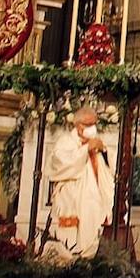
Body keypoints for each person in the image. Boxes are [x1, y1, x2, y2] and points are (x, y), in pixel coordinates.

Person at [46, 107, 114, 258]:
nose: (92, 128)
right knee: (75, 224)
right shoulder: (66, 141)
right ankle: (74, 257)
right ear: (78, 125)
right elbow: (60, 164)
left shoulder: (95, 141)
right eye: (88, 124)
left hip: (94, 192)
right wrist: (85, 150)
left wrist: (103, 150)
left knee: (94, 218)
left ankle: (90, 255)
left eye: (94, 124)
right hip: (73, 192)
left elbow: (109, 165)